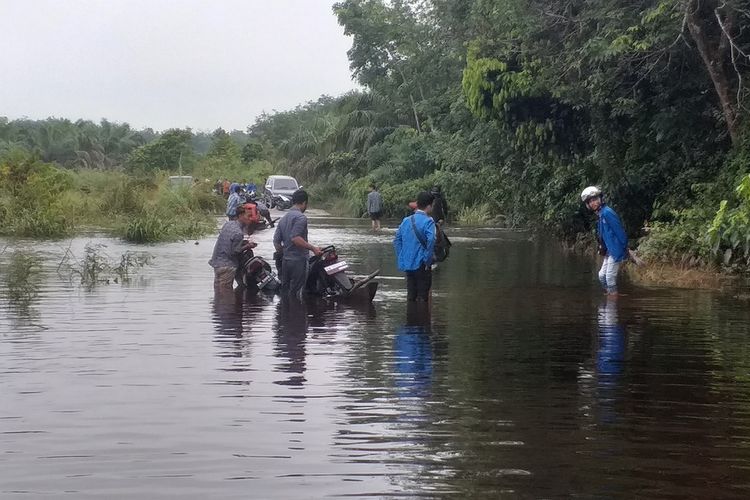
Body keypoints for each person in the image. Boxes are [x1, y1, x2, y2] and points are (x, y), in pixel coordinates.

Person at [273, 190, 322, 299]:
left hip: (286, 261)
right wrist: (313, 248)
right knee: (297, 293)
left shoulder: (283, 219)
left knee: (286, 292)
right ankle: (297, 315)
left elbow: (276, 242)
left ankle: (286, 315)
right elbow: (295, 238)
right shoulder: (301, 218)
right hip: (298, 261)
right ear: (304, 203)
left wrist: (284, 252)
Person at [581, 186, 628, 298]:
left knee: (609, 277)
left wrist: (625, 248)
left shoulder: (607, 213)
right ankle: (611, 296)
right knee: (602, 276)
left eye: (595, 199)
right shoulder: (601, 214)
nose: (594, 203)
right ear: (588, 204)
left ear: (600, 199)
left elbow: (619, 231)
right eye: (590, 201)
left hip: (615, 250)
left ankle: (613, 303)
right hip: (609, 251)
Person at [393, 191, 436, 302]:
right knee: (422, 297)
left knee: (411, 296)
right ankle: (421, 318)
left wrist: (402, 257)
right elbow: (431, 240)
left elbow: (397, 240)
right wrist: (427, 260)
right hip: (422, 265)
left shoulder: (406, 220)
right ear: (429, 206)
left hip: (408, 264)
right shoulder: (429, 222)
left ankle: (410, 318)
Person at [209, 204, 257, 289]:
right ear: (241, 216)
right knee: (225, 294)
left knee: (218, 291)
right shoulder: (239, 233)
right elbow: (234, 252)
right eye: (248, 216)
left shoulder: (228, 224)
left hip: (217, 262)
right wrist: (248, 246)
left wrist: (242, 242)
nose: (250, 219)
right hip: (228, 266)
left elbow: (228, 241)